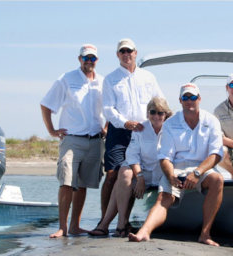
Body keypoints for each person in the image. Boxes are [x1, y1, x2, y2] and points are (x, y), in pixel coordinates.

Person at [129, 83, 224, 246]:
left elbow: (216, 154)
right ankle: (144, 231)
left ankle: (205, 234)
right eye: (185, 97)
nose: (189, 101)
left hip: (202, 169)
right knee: (164, 197)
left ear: (199, 99)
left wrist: (197, 173)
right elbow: (165, 157)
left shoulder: (212, 121)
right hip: (177, 169)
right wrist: (170, 175)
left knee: (217, 180)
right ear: (180, 100)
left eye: (193, 97)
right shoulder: (170, 124)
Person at [40, 44, 106, 238]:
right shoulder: (66, 79)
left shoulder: (103, 82)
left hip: (95, 141)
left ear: (97, 60)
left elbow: (111, 108)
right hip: (72, 139)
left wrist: (107, 127)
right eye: (86, 58)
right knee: (67, 182)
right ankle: (63, 227)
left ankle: (75, 226)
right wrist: (51, 130)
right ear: (79, 59)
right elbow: (45, 104)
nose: (89, 62)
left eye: (92, 58)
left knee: (83, 184)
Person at [88, 98, 172, 237]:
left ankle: (109, 225)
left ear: (166, 114)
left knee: (118, 185)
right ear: (147, 113)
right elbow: (132, 155)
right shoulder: (140, 128)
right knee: (124, 172)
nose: (156, 116)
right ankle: (121, 223)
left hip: (160, 173)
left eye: (160, 113)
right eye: (152, 112)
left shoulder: (171, 130)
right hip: (142, 170)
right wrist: (139, 176)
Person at [101, 38, 164, 220]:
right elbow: (107, 109)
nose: (126, 54)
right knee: (113, 174)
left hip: (146, 131)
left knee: (131, 174)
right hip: (120, 132)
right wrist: (125, 123)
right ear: (117, 55)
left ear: (136, 53)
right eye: (123, 51)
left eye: (130, 51)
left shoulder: (148, 77)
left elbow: (160, 101)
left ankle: (124, 221)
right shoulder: (110, 79)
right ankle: (104, 221)